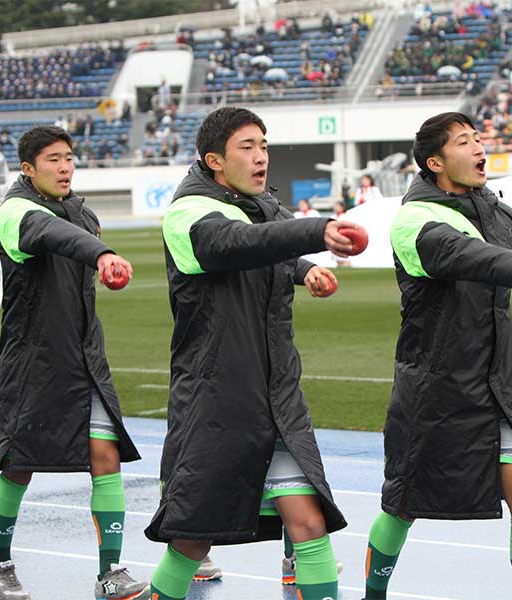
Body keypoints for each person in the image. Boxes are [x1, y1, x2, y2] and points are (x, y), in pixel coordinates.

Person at [148, 106, 360, 600]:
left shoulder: (262, 204)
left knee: (308, 522)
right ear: (214, 160)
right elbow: (235, 243)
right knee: (193, 539)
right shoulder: (189, 212)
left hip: (276, 395)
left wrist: (304, 269)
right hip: (217, 399)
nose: (261, 156)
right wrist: (315, 230)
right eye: (247, 147)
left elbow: (270, 246)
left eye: (264, 146)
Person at [363, 112, 512, 600]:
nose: (479, 147)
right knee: (403, 503)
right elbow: (464, 254)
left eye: (479, 138)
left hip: (498, 385)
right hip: (437, 389)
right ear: (435, 162)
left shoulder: (500, 213)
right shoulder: (416, 219)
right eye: (463, 141)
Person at [0, 126, 147, 600]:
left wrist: (100, 256)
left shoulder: (83, 211)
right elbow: (47, 232)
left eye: (69, 157)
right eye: (53, 159)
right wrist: (102, 253)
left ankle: (110, 572)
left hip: (86, 360)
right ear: (28, 169)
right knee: (18, 465)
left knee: (106, 456)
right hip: (34, 361)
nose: (65, 166)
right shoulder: (15, 212)